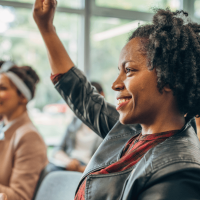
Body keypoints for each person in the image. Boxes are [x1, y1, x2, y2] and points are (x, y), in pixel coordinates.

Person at [33, 1, 200, 199]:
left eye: (129, 70)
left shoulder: (179, 172)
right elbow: (82, 96)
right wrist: (46, 28)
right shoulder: (133, 131)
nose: (115, 84)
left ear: (169, 77)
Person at [0, 61, 48, 200]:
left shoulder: (29, 136)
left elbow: (20, 197)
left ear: (22, 96)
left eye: (2, 88)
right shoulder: (5, 129)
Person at [50, 81, 103, 173]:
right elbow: (58, 149)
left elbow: (105, 163)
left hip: (87, 168)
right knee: (49, 170)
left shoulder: (106, 127)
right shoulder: (75, 121)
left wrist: (81, 169)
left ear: (102, 96)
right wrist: (68, 162)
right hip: (70, 162)